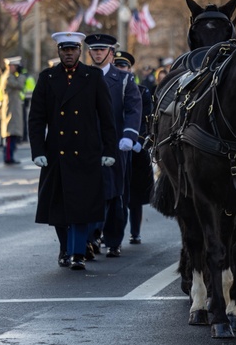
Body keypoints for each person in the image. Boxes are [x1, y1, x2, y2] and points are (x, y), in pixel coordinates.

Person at [29, 31, 117, 271]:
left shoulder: (93, 76)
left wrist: (109, 149)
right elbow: (36, 118)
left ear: (80, 51)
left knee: (82, 207)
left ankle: (77, 252)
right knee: (58, 208)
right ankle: (65, 248)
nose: (69, 54)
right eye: (64, 50)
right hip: (56, 152)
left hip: (86, 151)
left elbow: (107, 118)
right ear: (59, 52)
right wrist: (37, 150)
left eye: (73, 50)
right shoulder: (47, 78)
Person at [85, 33, 141, 258]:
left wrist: (129, 135)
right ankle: (91, 236)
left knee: (114, 194)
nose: (98, 53)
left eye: (102, 50)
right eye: (94, 49)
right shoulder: (83, 76)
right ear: (89, 52)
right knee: (90, 193)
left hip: (116, 144)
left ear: (111, 52)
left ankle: (113, 239)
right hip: (88, 144)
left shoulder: (124, 79)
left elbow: (133, 108)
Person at [114, 50, 153, 245]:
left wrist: (140, 141)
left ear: (130, 70)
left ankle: (135, 231)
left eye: (123, 67)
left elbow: (146, 119)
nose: (120, 69)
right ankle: (114, 235)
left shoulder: (142, 91)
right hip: (115, 146)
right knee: (116, 193)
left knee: (135, 196)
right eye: (117, 66)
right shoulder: (107, 88)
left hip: (136, 148)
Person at [1, 58, 27, 164]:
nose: (16, 69)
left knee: (13, 133)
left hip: (13, 108)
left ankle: (10, 155)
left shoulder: (11, 76)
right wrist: (21, 75)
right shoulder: (8, 77)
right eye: (15, 66)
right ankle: (8, 157)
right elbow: (20, 85)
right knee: (10, 134)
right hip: (11, 108)